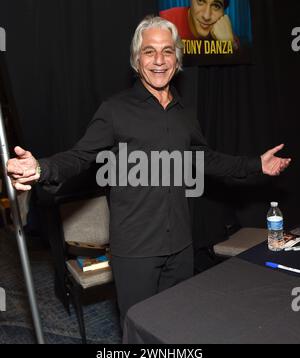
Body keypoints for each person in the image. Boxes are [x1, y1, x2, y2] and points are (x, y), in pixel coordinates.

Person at [6, 16, 290, 328]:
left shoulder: (185, 115)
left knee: (176, 326)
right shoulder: (115, 111)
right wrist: (42, 167)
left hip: (181, 247)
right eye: (149, 51)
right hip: (135, 251)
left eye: (167, 51)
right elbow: (79, 156)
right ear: (136, 58)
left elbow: (207, 160)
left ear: (177, 59)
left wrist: (256, 165)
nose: (158, 61)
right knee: (139, 329)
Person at [161, 0, 237, 45]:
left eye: (216, 6)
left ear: (223, 12)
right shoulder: (163, 22)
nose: (206, 16)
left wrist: (228, 45)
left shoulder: (226, 32)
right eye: (200, 1)